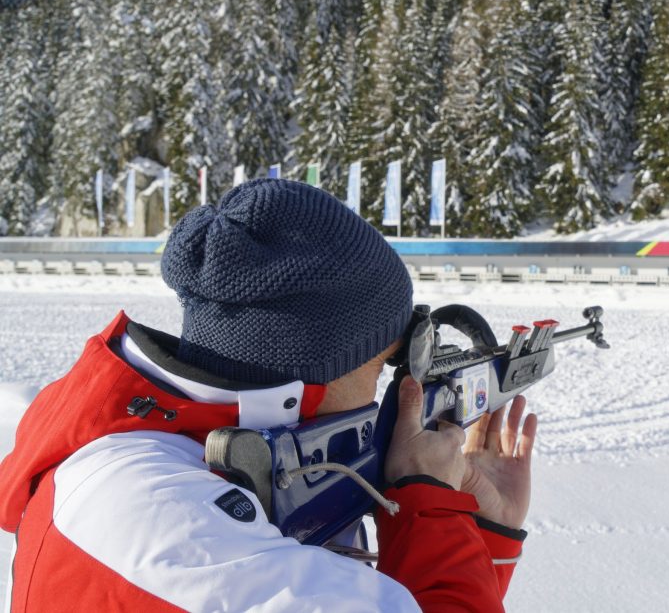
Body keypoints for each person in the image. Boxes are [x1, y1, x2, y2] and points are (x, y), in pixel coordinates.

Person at [0, 178, 537, 612]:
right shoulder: (158, 519)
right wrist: (432, 506)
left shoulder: (170, 458)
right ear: (314, 378)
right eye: (382, 368)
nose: (386, 398)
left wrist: (484, 530)